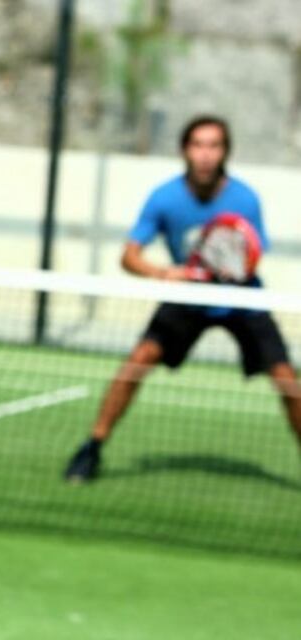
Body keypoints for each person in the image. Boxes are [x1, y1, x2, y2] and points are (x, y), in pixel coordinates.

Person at [64, 115, 301, 483]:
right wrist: (164, 273)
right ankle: (91, 448)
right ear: (185, 150)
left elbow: (253, 254)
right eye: (198, 145)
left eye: (214, 145)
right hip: (187, 295)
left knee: (288, 380)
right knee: (138, 361)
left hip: (242, 297)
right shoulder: (164, 198)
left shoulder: (245, 198)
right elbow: (128, 256)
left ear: (225, 152)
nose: (206, 154)